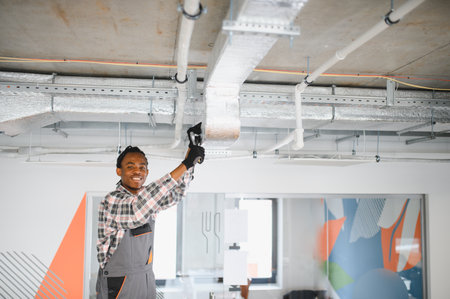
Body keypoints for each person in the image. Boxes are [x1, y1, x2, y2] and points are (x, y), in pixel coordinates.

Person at [96, 137, 205, 298]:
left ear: (147, 172)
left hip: (145, 278)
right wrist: (185, 164)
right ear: (119, 171)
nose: (137, 171)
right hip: (119, 283)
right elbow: (137, 211)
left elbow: (176, 193)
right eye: (130, 166)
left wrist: (191, 158)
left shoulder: (148, 198)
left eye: (142, 167)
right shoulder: (112, 201)